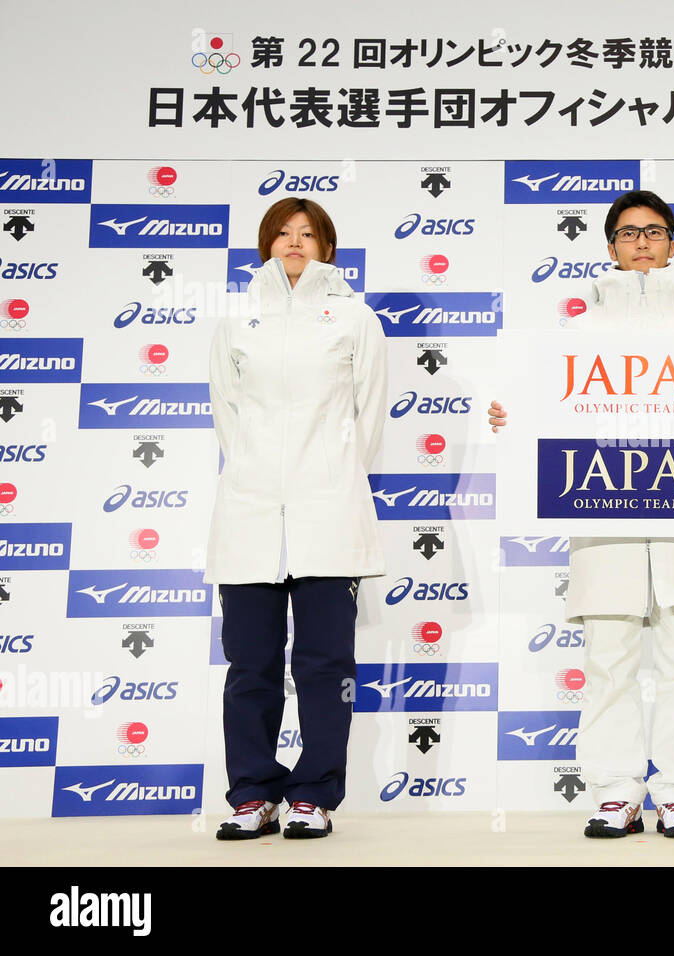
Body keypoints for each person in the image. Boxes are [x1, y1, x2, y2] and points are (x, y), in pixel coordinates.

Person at [489, 190, 674, 838]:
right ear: (610, 248)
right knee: (609, 663)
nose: (642, 243)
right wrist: (512, 423)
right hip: (605, 530)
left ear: (673, 244)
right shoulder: (574, 337)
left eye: (654, 232)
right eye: (629, 233)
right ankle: (616, 793)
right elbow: (541, 422)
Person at [206, 198, 388, 840]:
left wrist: (331, 476)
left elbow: (369, 419)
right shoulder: (237, 320)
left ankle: (314, 794)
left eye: (307, 234)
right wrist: (259, 474)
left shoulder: (355, 318)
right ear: (265, 244)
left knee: (324, 667)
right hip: (251, 510)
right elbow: (228, 414)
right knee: (249, 665)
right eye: (282, 233)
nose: (293, 243)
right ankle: (253, 793)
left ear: (327, 248)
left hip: (328, 512)